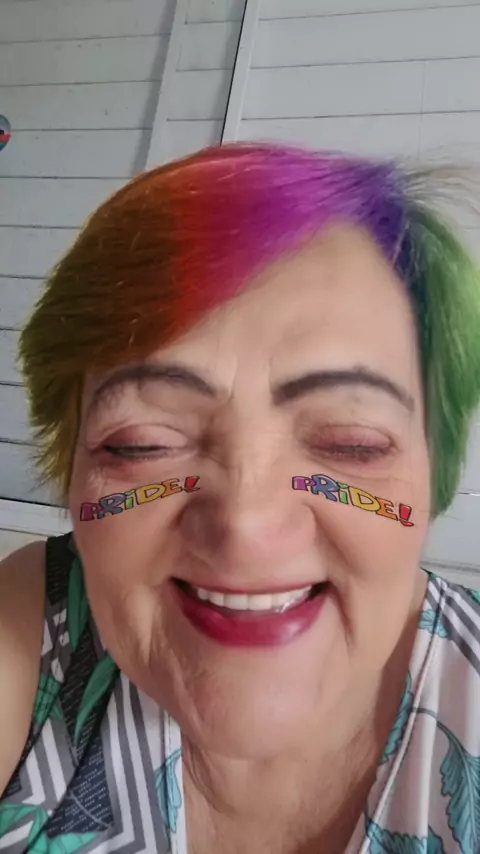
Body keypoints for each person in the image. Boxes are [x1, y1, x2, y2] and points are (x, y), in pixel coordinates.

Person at [1, 143, 480, 854]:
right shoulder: (36, 626)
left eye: (351, 444)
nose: (245, 526)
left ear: (433, 473)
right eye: (142, 443)